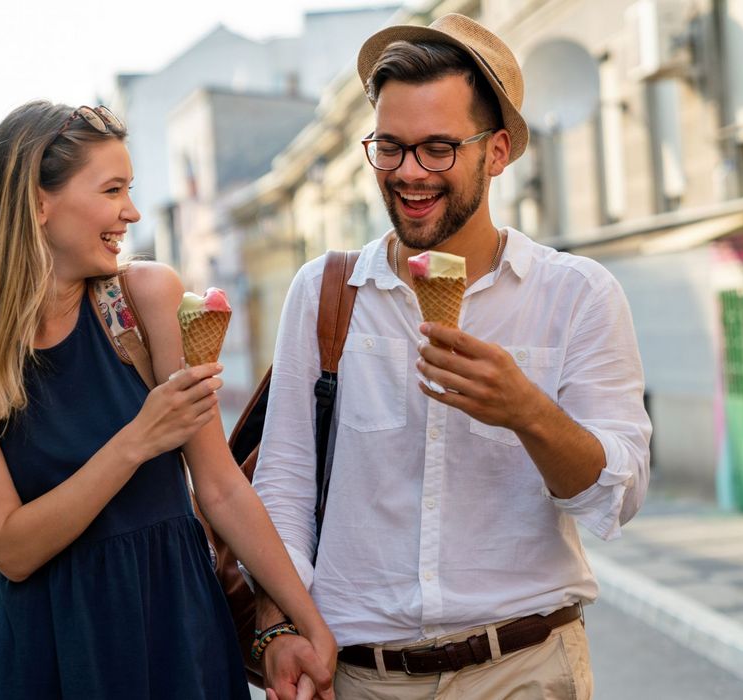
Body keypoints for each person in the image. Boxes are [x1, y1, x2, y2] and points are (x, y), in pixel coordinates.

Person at [250, 14, 652, 700]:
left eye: (437, 149)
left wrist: (526, 411)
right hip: (361, 675)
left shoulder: (575, 295)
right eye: (389, 147)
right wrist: (273, 623)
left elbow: (614, 498)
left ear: (495, 153)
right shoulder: (325, 292)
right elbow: (284, 486)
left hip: (524, 666)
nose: (408, 174)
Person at [0, 101, 336, 699]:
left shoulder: (146, 299)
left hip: (178, 633)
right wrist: (137, 441)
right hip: (52, 655)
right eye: (112, 189)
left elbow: (222, 487)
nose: (132, 212)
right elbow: (11, 546)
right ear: (37, 202)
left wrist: (306, 622)